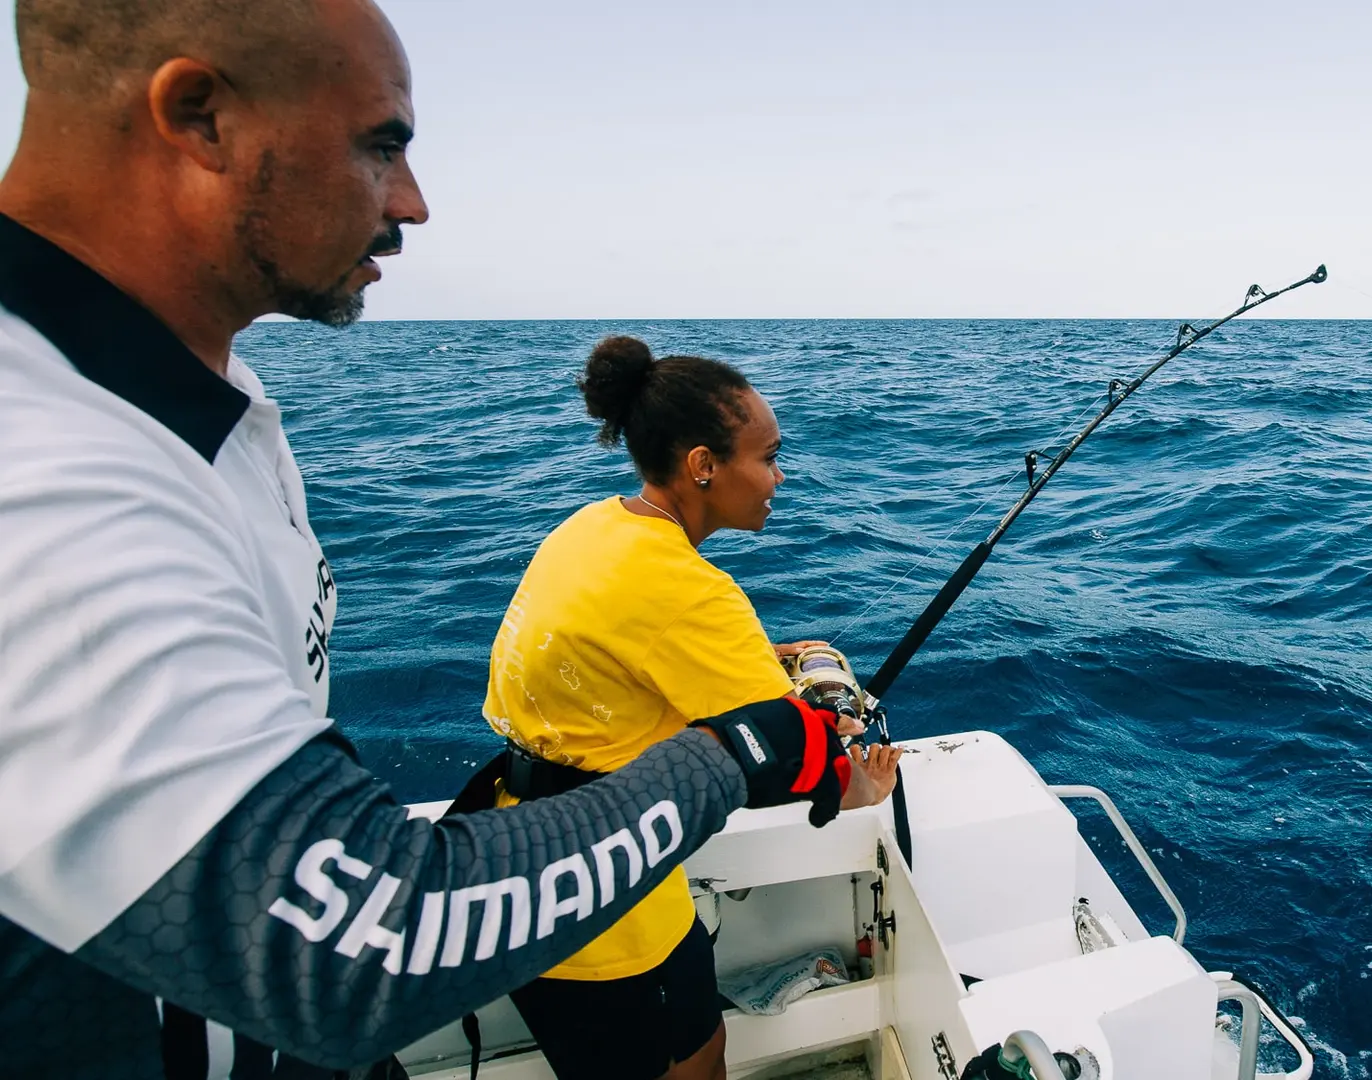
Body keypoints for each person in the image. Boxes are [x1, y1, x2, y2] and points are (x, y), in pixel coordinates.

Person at [0, 1, 849, 1076]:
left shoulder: (216, 406)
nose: (413, 202)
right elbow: (362, 943)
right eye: (382, 145)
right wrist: (735, 753)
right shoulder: (38, 464)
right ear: (198, 117)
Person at [477, 334, 903, 1080]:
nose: (779, 476)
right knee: (692, 1066)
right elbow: (799, 758)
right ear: (703, 466)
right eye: (767, 456)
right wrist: (863, 784)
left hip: (518, 858)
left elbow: (623, 656)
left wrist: (764, 663)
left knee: (674, 1053)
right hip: (604, 903)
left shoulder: (595, 528)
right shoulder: (693, 592)